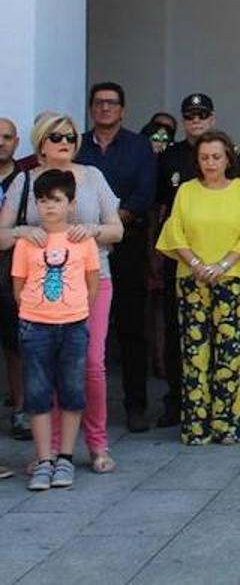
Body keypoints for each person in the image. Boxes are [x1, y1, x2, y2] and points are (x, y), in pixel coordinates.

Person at [1, 114, 123, 475]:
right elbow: (2, 233)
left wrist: (92, 229)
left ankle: (97, 443)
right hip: (42, 290)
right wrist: (25, 230)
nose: (65, 141)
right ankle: (50, 450)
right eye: (56, 136)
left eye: (70, 135)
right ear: (41, 143)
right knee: (47, 366)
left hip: (92, 278)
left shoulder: (92, 177)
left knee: (93, 364)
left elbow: (116, 229)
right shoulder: (26, 181)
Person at [155, 132, 240, 445]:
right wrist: (196, 264)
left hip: (231, 277)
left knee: (230, 352)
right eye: (204, 158)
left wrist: (223, 266)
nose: (210, 163)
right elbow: (174, 231)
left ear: (228, 159)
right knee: (194, 351)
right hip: (192, 278)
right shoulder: (187, 191)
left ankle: (227, 422)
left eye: (217, 157)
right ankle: (195, 424)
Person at [75, 82, 157, 434]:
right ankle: (77, 408)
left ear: (123, 110)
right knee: (79, 330)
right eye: (99, 103)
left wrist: (111, 223)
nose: (105, 108)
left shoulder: (138, 146)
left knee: (131, 326)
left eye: (112, 103)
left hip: (128, 245)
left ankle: (135, 405)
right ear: (91, 108)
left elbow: (145, 193)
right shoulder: (76, 145)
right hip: (79, 249)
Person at [11, 170, 100, 491]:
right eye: (43, 200)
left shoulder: (83, 240)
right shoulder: (27, 241)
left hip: (73, 324)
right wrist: (36, 311)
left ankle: (65, 457)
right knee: (37, 392)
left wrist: (75, 310)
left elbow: (92, 284)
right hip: (36, 325)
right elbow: (18, 287)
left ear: (71, 203)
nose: (49, 207)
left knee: (73, 391)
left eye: (56, 200)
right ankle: (44, 459)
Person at [155, 92, 218, 428]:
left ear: (213, 118)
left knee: (219, 333)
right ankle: (177, 399)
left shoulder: (227, 154)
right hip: (180, 257)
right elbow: (159, 207)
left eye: (202, 115)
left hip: (221, 259)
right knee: (176, 328)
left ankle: (216, 399)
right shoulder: (169, 157)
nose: (196, 121)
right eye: (190, 116)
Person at [0, 116, 36, 440]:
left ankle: (21, 410)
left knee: (16, 345)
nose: (1, 142)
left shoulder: (24, 182)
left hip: (11, 269)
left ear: (16, 143)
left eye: (7, 137)